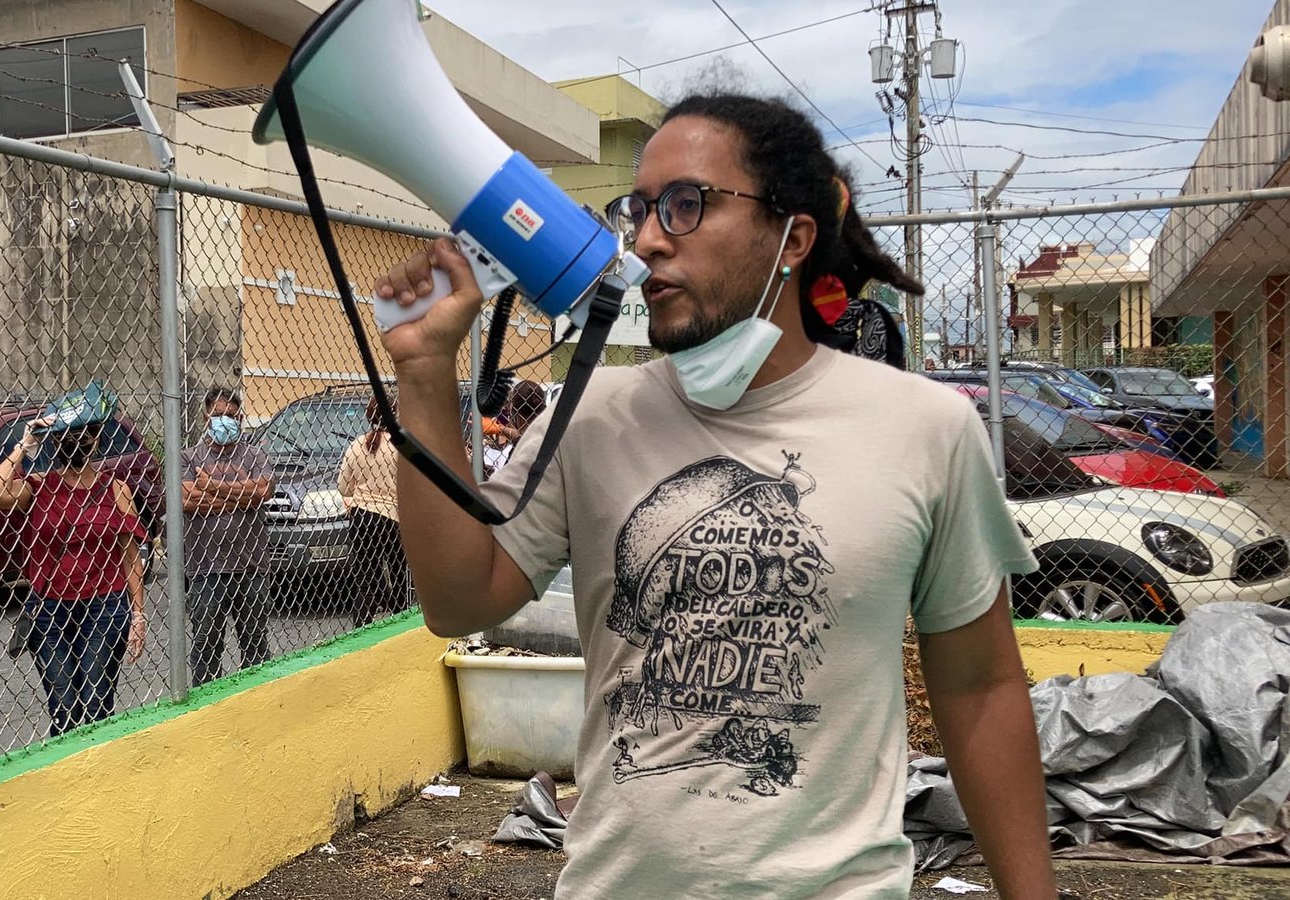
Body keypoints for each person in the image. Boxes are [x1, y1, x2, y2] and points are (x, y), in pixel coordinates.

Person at [374, 94, 1054, 899]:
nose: (649, 238)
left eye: (687, 205)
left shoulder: (928, 427)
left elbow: (980, 686)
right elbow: (458, 603)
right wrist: (422, 374)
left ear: (791, 238)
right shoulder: (586, 416)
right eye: (641, 209)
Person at [0, 420, 147, 736]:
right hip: (49, 612)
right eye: (66, 437)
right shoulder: (40, 486)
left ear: (96, 439)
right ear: (55, 443)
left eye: (83, 436)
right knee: (64, 708)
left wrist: (138, 615)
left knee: (96, 704)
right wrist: (26, 445)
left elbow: (130, 555)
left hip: (104, 608)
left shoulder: (115, 489)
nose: (75, 442)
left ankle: (100, 776)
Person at [180, 388, 274, 685]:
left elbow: (264, 492)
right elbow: (189, 501)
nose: (224, 421)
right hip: (205, 569)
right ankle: (207, 707)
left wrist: (212, 486)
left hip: (251, 567)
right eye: (218, 415)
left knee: (256, 645)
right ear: (206, 416)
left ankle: (258, 700)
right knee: (206, 647)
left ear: (241, 418)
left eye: (231, 416)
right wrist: (240, 495)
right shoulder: (188, 457)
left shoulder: (254, 454)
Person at [337, 397, 410, 623]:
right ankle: (400, 620)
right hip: (392, 515)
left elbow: (343, 486)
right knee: (398, 571)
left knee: (365, 575)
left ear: (369, 416)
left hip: (362, 515)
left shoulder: (358, 444)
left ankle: (362, 623)